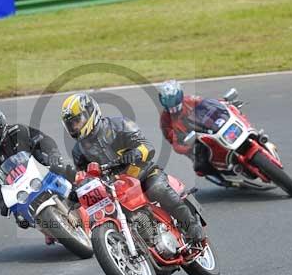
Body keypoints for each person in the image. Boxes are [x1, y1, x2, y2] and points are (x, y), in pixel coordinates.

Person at [60, 93, 203, 243]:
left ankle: (191, 225)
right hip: (113, 189)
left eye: (77, 120)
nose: (75, 126)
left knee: (157, 188)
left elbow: (148, 147)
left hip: (143, 174)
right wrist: (77, 191)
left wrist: (135, 153)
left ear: (90, 112)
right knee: (103, 213)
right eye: (71, 124)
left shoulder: (120, 125)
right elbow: (83, 176)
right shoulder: (79, 151)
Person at [0, 108, 64, 238]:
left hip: (40, 169)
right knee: (21, 220)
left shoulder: (18, 130)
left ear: (1, 126)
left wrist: (53, 153)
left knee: (66, 172)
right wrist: (2, 203)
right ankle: (49, 231)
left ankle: (82, 200)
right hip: (18, 187)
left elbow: (42, 138)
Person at [158, 79, 242, 177]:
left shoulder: (190, 100)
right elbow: (173, 141)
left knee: (233, 119)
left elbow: (209, 103)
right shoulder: (165, 120)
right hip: (192, 142)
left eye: (173, 99)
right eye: (167, 100)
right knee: (201, 168)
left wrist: (225, 104)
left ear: (180, 95)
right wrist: (185, 145)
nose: (171, 103)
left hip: (208, 128)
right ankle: (224, 176)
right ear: (161, 99)